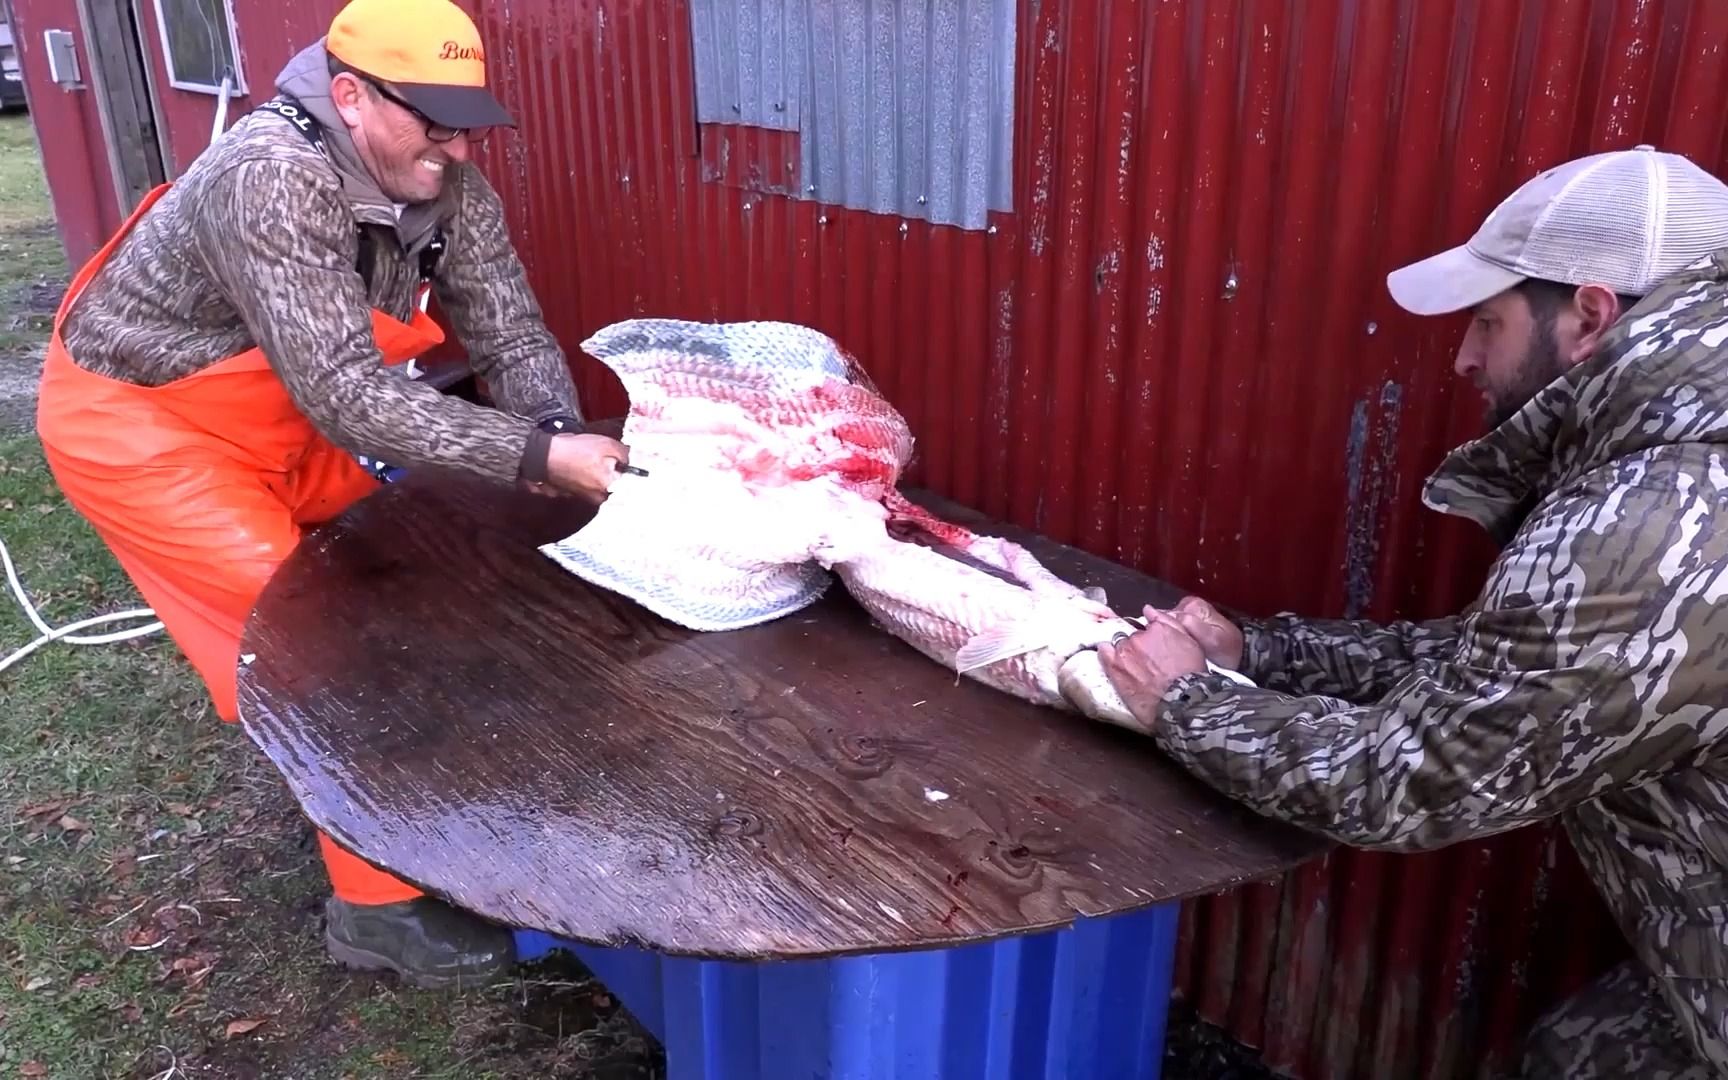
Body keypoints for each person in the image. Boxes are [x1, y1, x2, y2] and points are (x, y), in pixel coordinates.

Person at [1094, 145, 1728, 1079]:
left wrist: (1191, 701)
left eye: (1488, 322)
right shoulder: (1666, 467)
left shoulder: (1655, 521)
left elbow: (1413, 779)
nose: (1466, 358)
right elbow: (1499, 660)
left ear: (1590, 315)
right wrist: (1261, 651)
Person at [35, 0, 629, 988]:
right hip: (144, 428)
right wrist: (536, 461)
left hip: (280, 413)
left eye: (467, 119)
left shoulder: (449, 184)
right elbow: (352, 397)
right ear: (349, 97)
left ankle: (416, 812)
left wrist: (556, 438)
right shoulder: (267, 176)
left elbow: (513, 336)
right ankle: (379, 915)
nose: (453, 145)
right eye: (430, 120)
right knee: (318, 654)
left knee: (383, 581)